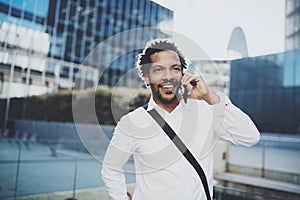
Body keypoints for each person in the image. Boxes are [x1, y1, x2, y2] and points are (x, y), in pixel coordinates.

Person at [101, 38, 260, 200]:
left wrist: (209, 97)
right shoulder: (132, 122)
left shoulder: (205, 111)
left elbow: (250, 137)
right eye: (158, 70)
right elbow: (111, 168)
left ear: (183, 74)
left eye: (175, 69)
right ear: (147, 78)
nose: (167, 77)